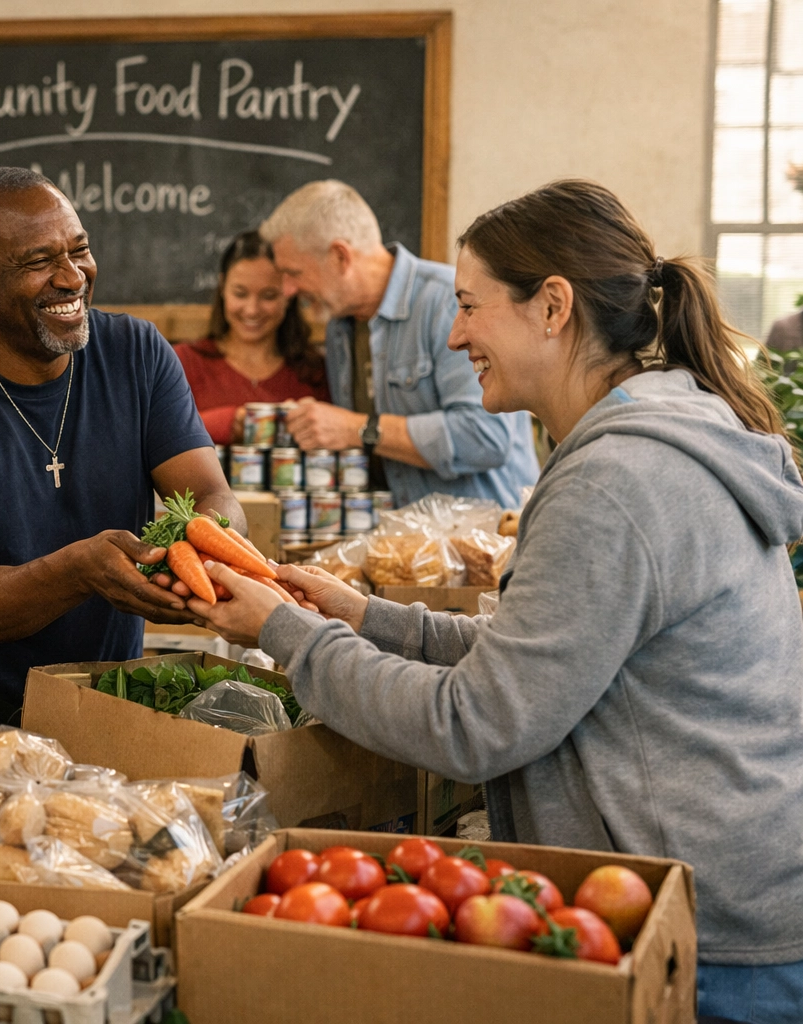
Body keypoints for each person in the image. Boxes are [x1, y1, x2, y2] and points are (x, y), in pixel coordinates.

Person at [191, 181, 803, 1024]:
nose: (455, 335)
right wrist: (362, 616)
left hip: (706, 937)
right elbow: (543, 653)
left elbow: (476, 724)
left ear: (552, 307)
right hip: (724, 893)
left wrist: (288, 634)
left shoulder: (615, 481)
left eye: (470, 306)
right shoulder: (649, 438)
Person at [0, 166, 242, 766]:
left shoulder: (137, 354)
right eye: (38, 261)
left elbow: (213, 496)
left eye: (79, 249)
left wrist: (201, 549)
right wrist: (79, 572)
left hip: (105, 711)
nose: (72, 277)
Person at [260, 179, 539, 507]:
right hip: (401, 533)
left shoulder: (448, 302)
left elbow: (485, 437)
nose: (288, 290)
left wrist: (357, 429)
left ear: (340, 256)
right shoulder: (339, 327)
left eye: (294, 273)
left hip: (488, 531)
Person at [173, 229, 328, 444]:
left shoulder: (315, 371)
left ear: (289, 295)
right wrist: (227, 423)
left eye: (268, 296)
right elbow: (148, 438)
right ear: (222, 288)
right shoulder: (181, 363)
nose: (252, 310)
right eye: (240, 293)